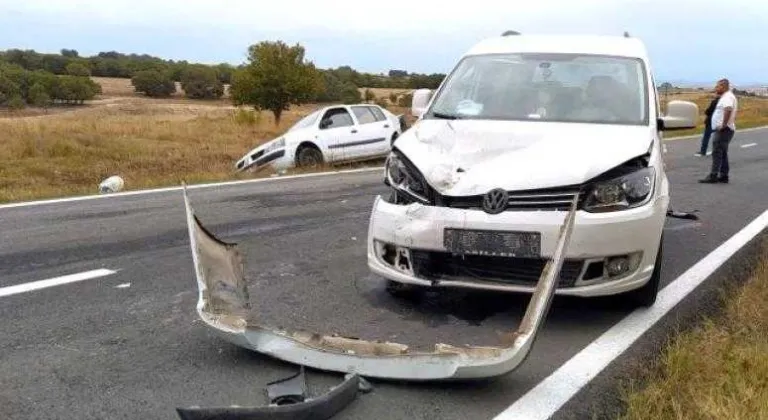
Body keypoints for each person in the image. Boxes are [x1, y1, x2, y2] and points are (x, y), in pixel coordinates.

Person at [699, 78, 737, 184]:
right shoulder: (725, 96)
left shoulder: (728, 97)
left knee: (717, 152)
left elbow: (728, 109)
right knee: (722, 152)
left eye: (718, 86)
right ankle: (724, 175)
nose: (716, 88)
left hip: (724, 129)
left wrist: (723, 124)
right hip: (724, 129)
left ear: (724, 87)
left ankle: (713, 175)